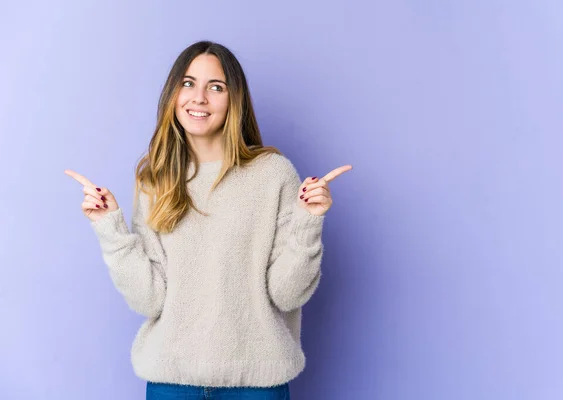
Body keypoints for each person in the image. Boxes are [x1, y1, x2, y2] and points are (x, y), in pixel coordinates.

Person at [65, 40, 351, 399]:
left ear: (235, 100)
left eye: (215, 87)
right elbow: (148, 300)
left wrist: (309, 221)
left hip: (255, 385)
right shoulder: (156, 180)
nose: (198, 98)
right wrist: (109, 228)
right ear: (173, 94)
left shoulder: (273, 175)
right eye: (188, 83)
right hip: (172, 382)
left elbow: (287, 293)